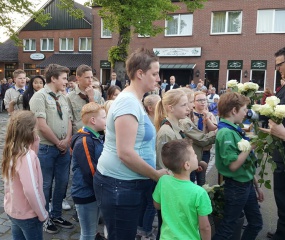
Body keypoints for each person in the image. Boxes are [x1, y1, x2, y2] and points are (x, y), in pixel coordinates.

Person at [93, 48, 168, 240]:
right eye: (154, 73)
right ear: (140, 74)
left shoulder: (134, 100)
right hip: (120, 185)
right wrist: (155, 175)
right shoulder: (128, 103)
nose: (158, 78)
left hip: (126, 184)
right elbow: (125, 152)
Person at [212, 92, 264, 240]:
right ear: (234, 110)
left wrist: (256, 186)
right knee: (228, 228)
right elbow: (234, 165)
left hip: (245, 184)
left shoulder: (234, 129)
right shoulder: (226, 133)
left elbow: (246, 164)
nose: (245, 114)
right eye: (244, 110)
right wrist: (250, 147)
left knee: (256, 223)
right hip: (236, 186)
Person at [29, 64, 73, 234]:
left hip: (63, 149)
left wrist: (67, 140)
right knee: (45, 185)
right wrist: (57, 142)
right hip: (47, 149)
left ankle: (56, 214)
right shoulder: (39, 97)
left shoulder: (63, 97)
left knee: (62, 182)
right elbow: (41, 125)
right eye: (63, 78)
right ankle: (44, 217)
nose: (66, 81)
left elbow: (69, 119)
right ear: (53, 78)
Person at [153, 139, 212, 240]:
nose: (196, 156)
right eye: (194, 154)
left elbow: (157, 205)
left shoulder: (163, 181)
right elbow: (205, 227)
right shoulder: (199, 193)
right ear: (187, 165)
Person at [2, 111, 48, 240]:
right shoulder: (26, 156)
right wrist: (42, 214)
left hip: (14, 211)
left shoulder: (12, 149)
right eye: (35, 129)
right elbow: (31, 190)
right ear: (29, 131)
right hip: (29, 215)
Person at [71, 102, 106, 240]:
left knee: (92, 230)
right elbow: (90, 171)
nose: (106, 119)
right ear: (93, 120)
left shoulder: (94, 136)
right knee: (88, 234)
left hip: (93, 192)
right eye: (103, 117)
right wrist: (102, 189)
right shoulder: (84, 141)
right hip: (86, 194)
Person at [264, 47, 285, 240]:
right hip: (280, 157)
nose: (277, 68)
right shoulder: (283, 88)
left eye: (280, 64)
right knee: (281, 198)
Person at [67, 64, 104, 134]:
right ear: (78, 78)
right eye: (87, 77)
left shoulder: (97, 94)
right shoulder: (70, 96)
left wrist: (91, 98)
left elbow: (99, 114)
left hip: (95, 134)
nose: (90, 80)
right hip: (79, 134)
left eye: (91, 77)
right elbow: (69, 119)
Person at [192, 91, 217, 185]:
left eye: (204, 100)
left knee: (201, 177)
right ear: (194, 102)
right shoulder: (191, 115)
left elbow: (213, 129)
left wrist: (207, 119)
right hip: (192, 150)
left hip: (205, 151)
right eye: (199, 100)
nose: (203, 102)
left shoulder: (210, 115)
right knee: (191, 175)